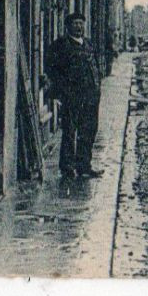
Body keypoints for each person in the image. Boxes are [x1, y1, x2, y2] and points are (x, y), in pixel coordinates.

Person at [45, 13, 103, 179]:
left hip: (91, 97)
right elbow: (51, 69)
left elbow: (95, 68)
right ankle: (68, 167)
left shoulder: (89, 44)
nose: (79, 27)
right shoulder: (61, 45)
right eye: (76, 24)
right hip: (72, 97)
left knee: (88, 131)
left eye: (81, 24)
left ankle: (84, 165)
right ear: (67, 26)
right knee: (70, 132)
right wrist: (61, 90)